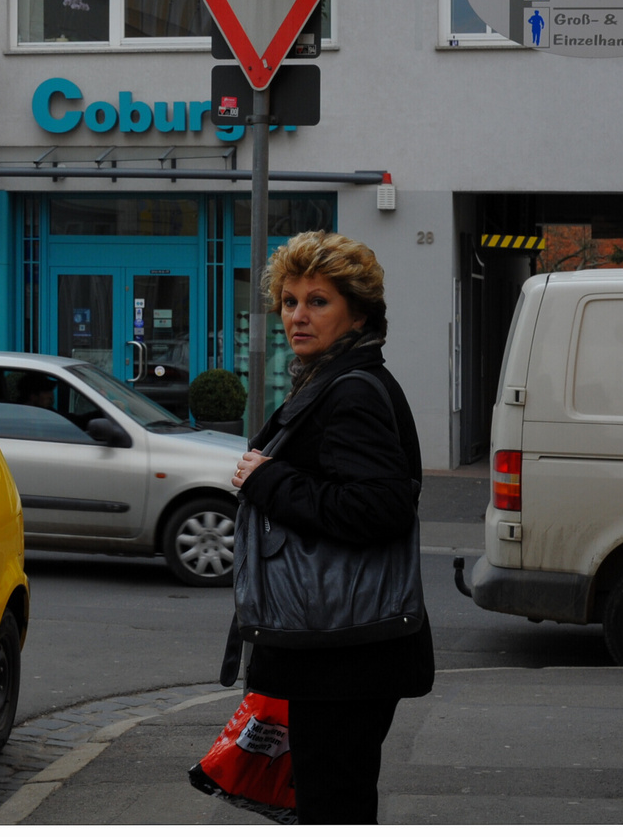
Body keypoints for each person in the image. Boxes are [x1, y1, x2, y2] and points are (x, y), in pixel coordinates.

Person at [230, 230, 433, 824]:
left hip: (345, 652)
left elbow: (379, 507)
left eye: (318, 301)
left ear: (359, 312)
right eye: (290, 301)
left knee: (333, 804)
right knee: (331, 797)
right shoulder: (332, 379)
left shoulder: (351, 392)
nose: (297, 315)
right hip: (339, 643)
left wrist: (266, 480)